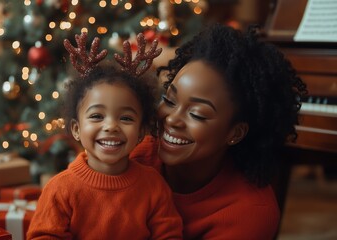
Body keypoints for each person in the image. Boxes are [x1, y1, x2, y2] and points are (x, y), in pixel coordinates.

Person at [130, 23, 307, 239]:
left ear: (236, 133)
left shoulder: (249, 212)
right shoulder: (135, 156)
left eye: (197, 114)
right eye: (169, 99)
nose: (172, 119)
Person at [27, 32, 183, 239]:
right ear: (76, 129)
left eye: (126, 118)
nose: (111, 126)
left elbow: (169, 235)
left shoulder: (153, 186)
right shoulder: (60, 189)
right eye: (97, 116)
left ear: (141, 133)